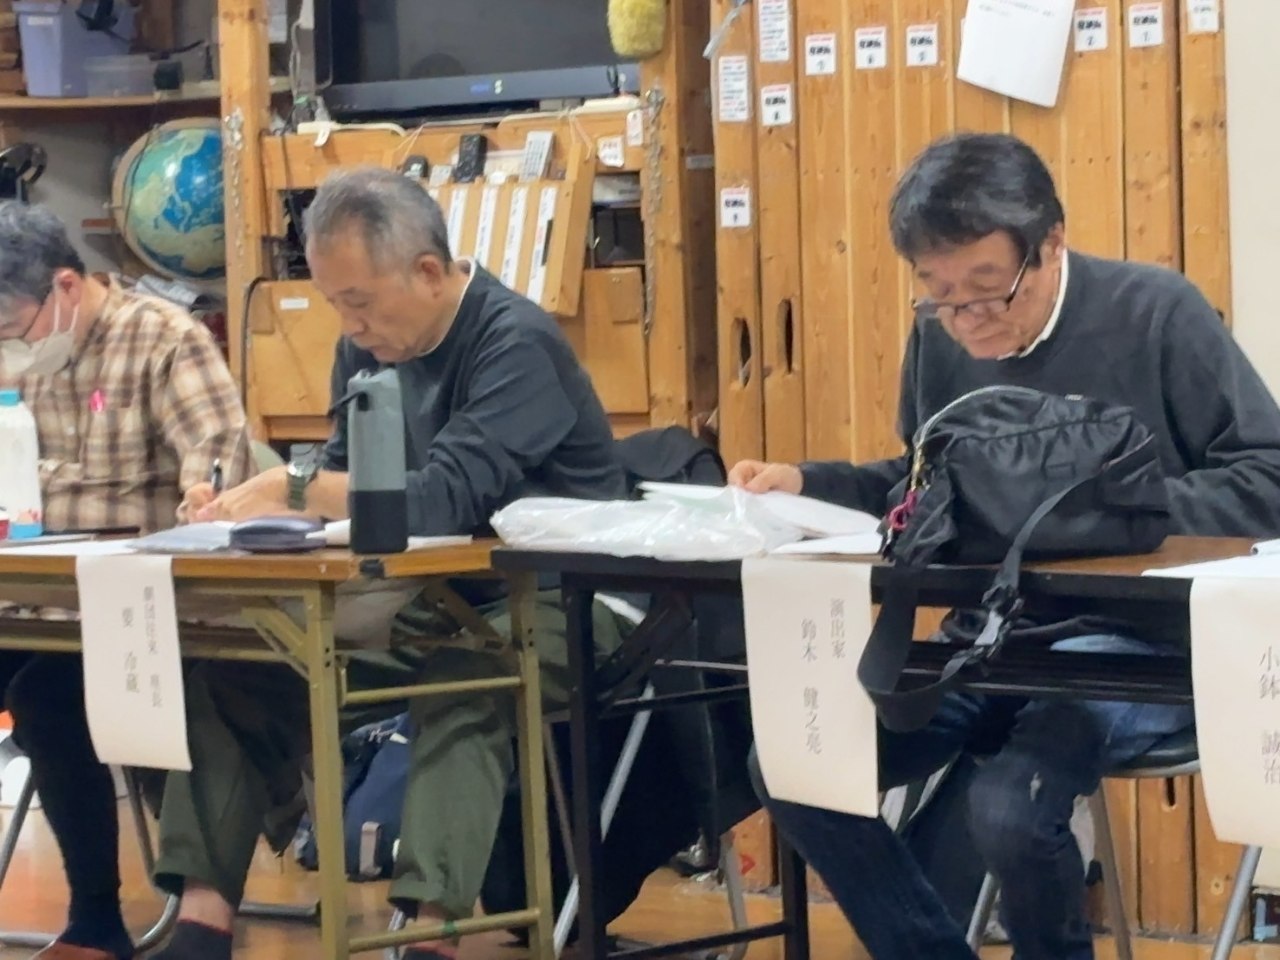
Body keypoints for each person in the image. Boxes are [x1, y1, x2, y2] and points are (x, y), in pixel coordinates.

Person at [730, 132, 1280, 960]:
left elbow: (1266, 478)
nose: (967, 318)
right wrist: (806, 484)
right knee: (792, 763)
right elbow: (923, 483)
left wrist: (1108, 514)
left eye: (989, 289)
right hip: (993, 637)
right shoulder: (940, 340)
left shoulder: (1157, 313)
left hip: (1144, 645)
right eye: (940, 293)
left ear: (1050, 242)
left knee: (1010, 806)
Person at [148, 166, 631, 960]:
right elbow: (343, 480)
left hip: (565, 597)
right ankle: (200, 927)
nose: (349, 325)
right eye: (335, 304)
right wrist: (248, 510)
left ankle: (434, 933)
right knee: (242, 675)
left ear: (429, 272)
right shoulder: (365, 351)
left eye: (360, 302)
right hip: (430, 598)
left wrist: (291, 486)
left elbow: (441, 498)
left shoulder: (517, 343)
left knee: (466, 679)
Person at [0, 201, 253, 960]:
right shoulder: (19, 356)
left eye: (12, 327)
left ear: (66, 287)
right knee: (36, 673)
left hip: (142, 616)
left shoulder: (164, 339)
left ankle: (95, 918)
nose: (10, 348)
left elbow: (218, 470)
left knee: (44, 692)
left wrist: (203, 496)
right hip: (32, 602)